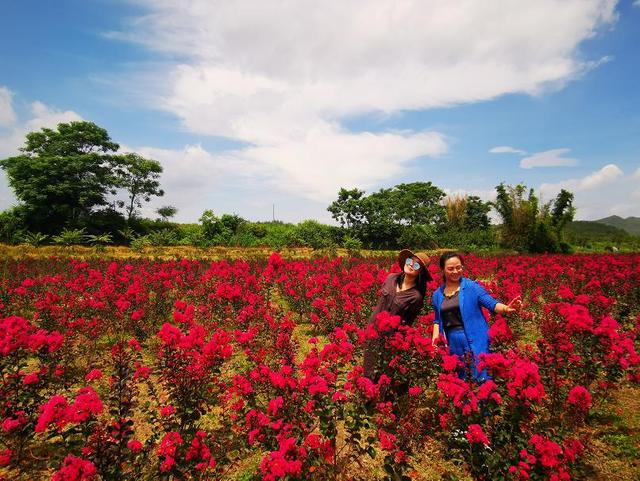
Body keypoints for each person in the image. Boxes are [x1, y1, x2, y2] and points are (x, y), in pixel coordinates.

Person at [431, 251, 522, 381]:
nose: (455, 271)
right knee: (460, 377)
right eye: (450, 269)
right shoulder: (437, 294)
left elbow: (492, 304)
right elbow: (437, 321)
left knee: (480, 374)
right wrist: (434, 342)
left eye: (459, 267)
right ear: (443, 270)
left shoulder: (472, 287)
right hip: (453, 341)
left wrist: (507, 308)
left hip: (475, 337)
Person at [363, 249, 432, 380]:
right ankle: (366, 395)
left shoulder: (416, 297)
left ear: (420, 272)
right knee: (369, 365)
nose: (411, 265)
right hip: (373, 328)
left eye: (416, 265)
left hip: (390, 338)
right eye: (410, 261)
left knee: (383, 371)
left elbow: (407, 323)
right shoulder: (391, 278)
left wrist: (396, 342)